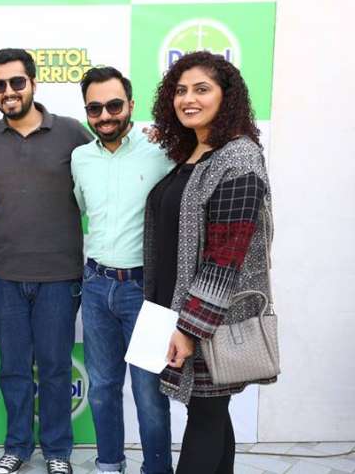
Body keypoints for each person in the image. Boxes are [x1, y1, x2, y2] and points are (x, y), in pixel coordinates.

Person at [145, 51, 276, 474]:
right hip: (176, 310)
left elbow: (226, 258)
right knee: (210, 413)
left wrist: (189, 329)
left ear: (226, 96)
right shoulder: (193, 154)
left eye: (201, 89)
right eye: (180, 90)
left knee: (205, 416)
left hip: (209, 320)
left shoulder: (238, 158)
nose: (188, 99)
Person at [0, 48, 92, 474]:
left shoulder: (72, 133)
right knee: (13, 369)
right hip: (4, 276)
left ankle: (57, 451)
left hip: (60, 277)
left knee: (56, 368)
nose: (8, 91)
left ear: (33, 83)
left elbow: (109, 168)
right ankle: (17, 447)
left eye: (17, 82)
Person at [71, 66, 174, 474]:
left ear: (131, 104)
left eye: (114, 105)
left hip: (146, 290)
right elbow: (83, 209)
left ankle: (157, 469)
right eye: (94, 108)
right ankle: (109, 465)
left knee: (149, 392)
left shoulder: (162, 151)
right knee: (101, 388)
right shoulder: (80, 158)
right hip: (96, 285)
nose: (105, 116)